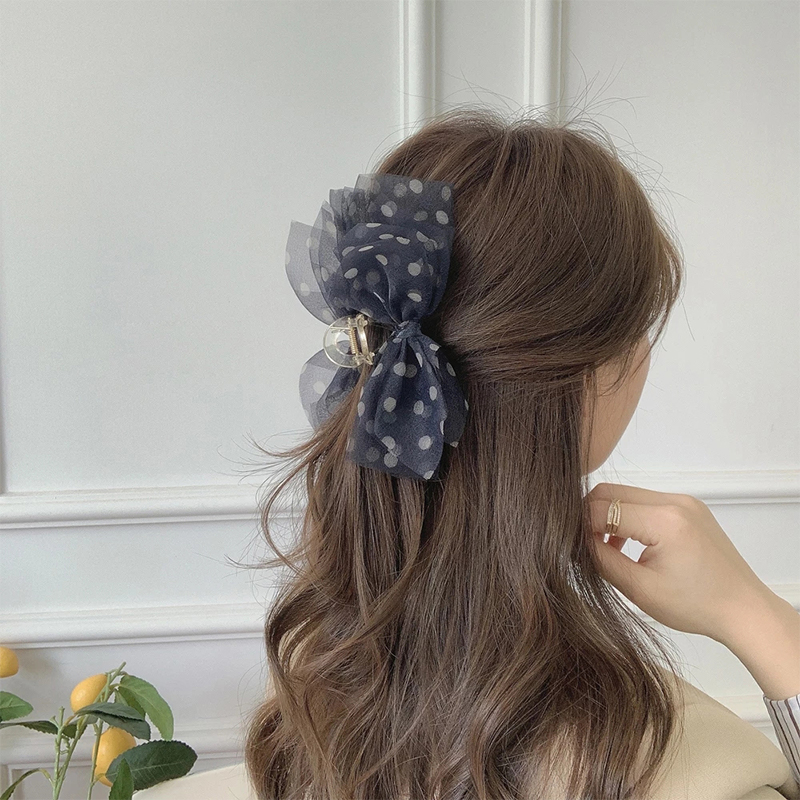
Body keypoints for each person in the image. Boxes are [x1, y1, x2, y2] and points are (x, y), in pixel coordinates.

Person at [137, 107, 800, 799]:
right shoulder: (700, 776)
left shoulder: (318, 695)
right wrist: (755, 616)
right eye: (639, 332)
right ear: (588, 376)